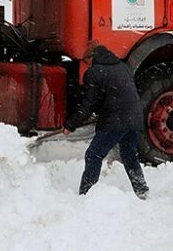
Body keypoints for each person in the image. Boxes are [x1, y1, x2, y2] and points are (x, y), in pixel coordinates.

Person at [63, 41, 149, 199]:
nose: (86, 65)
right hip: (135, 117)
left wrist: (70, 124)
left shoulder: (95, 72)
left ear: (91, 56)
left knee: (93, 155)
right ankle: (142, 190)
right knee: (129, 154)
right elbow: (118, 94)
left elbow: (87, 105)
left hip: (116, 119)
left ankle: (86, 195)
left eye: (86, 61)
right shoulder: (122, 66)